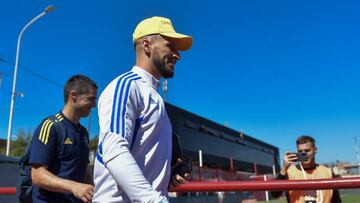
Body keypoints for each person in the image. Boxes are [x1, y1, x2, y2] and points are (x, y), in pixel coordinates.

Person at [93, 16, 192, 202]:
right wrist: (154, 200)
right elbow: (114, 150)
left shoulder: (155, 97)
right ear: (146, 45)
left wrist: (168, 172)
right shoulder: (125, 86)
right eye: (171, 45)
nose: (178, 55)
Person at [29, 75, 97, 203]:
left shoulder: (83, 133)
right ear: (74, 96)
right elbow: (37, 175)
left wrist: (94, 192)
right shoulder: (51, 126)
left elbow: (84, 170)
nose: (94, 105)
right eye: (91, 99)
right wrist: (73, 186)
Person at [271, 135, 341, 203]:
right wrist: (284, 169)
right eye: (300, 151)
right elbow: (274, 194)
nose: (304, 154)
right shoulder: (289, 172)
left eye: (307, 150)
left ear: (315, 150)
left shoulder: (327, 172)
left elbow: (337, 200)